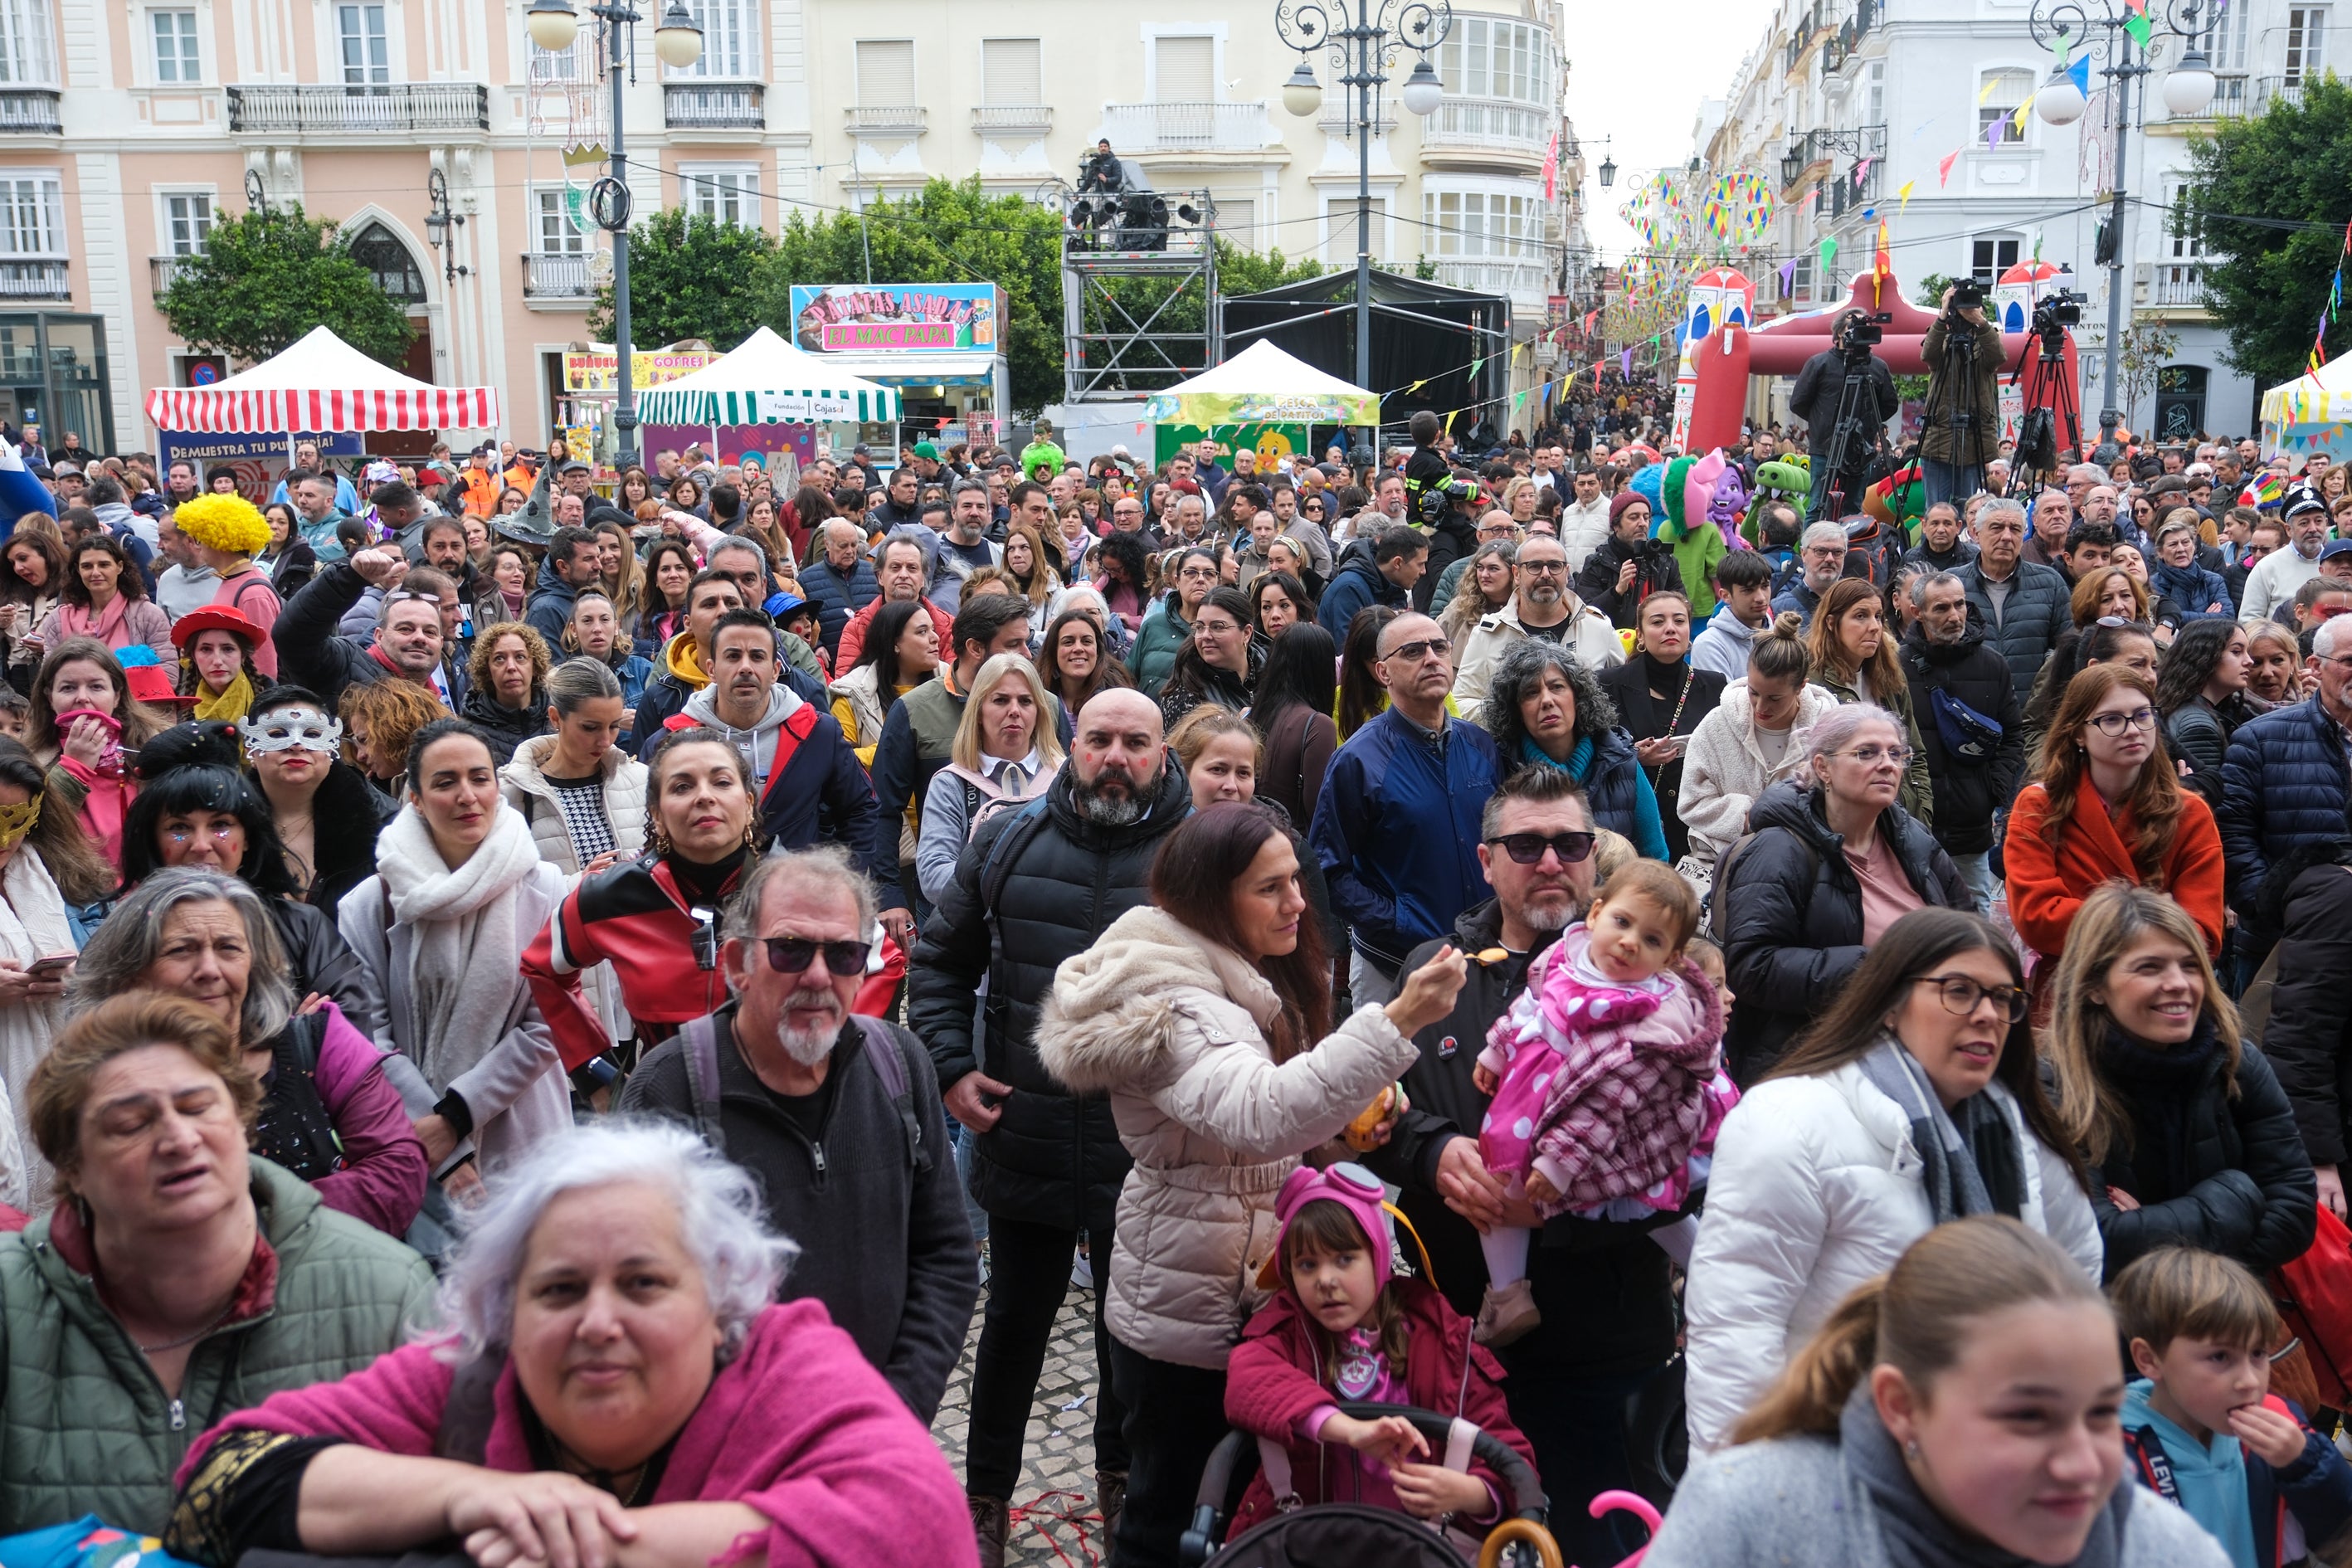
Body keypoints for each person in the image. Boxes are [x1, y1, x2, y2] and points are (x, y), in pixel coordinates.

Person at [164, 1119, 972, 1568]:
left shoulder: (787, 1365)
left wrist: (602, 1548)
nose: (596, 1322)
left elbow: (922, 1530)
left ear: (718, 1300)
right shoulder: (472, 1374)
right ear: (506, 1310)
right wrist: (476, 1496)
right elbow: (214, 1483)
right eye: (558, 1289)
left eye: (643, 1283)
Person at [1039, 804, 1468, 1567]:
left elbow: (1270, 1128)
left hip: (1239, 1285)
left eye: (1296, 881)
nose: (1298, 903)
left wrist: (1344, 1123)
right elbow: (1259, 1114)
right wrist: (1394, 1022)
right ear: (1210, 898)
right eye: (1270, 888)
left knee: (1243, 1508)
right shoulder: (1173, 1004)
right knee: (1168, 1516)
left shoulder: (1236, 975)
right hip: (1186, 1310)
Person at [908, 688, 1191, 1563]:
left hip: (1146, 1154)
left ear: (1159, 753)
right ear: (1070, 745)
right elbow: (939, 962)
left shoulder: (1196, 856)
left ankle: (1121, 1493)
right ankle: (985, 1501)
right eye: (1098, 739)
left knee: (1128, 1343)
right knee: (1012, 1336)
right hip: (1022, 1135)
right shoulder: (1007, 837)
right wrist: (952, 1070)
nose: (1114, 757)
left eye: (1133, 743)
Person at [0, 990, 433, 1533]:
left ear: (242, 1120)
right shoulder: (10, 1299)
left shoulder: (389, 1291)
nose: (179, 1139)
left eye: (198, 1106)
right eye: (131, 1124)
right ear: (73, 1168)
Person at [1682, 909, 2103, 1451]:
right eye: (1958, 991)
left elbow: (2078, 1269)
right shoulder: (1790, 1122)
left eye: (2002, 999)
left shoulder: (2009, 1127)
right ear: (1888, 1003)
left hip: (1985, 1469)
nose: (1986, 1015)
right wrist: (1744, 1497)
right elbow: (1735, 1331)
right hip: (1836, 1469)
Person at [616, 850, 978, 1424]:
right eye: (789, 949)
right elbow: (636, 1302)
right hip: (731, 1447)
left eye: (842, 953)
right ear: (737, 964)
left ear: (865, 967)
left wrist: (895, 1409)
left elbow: (946, 1256)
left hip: (881, 1426)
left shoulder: (901, 1064)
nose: (816, 975)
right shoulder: (669, 1091)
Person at [1657, 1218, 2228, 1568]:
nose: (2081, 1464)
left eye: (2101, 1413)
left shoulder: (2166, 1551)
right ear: (1901, 1408)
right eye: (2028, 1416)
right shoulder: (1749, 1515)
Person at [69, 867, 424, 1237]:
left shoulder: (320, 1042)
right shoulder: (103, 1078)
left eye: (228, 948)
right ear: (132, 973)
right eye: (181, 950)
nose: (209, 969)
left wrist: (250, 1228)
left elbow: (397, 1168)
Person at [1468, 860, 1728, 1345]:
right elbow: (1533, 1008)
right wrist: (1497, 1049)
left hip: (1609, 1130)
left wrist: (1561, 1163)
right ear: (1596, 916)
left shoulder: (1654, 1019)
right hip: (1549, 1095)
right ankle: (1508, 1295)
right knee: (1647, 1201)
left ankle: (1506, 1293)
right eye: (1623, 923)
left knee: (1517, 1187)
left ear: (1671, 960)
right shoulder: (1570, 959)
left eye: (1652, 940)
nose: (1630, 942)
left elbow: (1608, 1101)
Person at [1220, 1161, 1536, 1538]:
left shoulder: (1439, 1337)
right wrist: (1349, 1430)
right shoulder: (1288, 1329)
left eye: (1344, 1259)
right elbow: (1248, 1378)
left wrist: (1469, 1493)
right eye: (1307, 1265)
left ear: (1381, 1258)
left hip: (1418, 1548)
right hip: (1307, 1543)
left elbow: (1513, 1460)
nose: (1325, 1280)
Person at [339, 718, 570, 1197]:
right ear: (416, 799)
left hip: (524, 1139)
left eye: (479, 778)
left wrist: (456, 1119)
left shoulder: (545, 887)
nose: (467, 795)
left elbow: (549, 1022)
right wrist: (434, 1133)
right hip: (413, 1145)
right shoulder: (370, 904)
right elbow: (368, 1035)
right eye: (445, 783)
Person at [2040, 883, 2315, 1278]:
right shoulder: (2055, 1084)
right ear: (2095, 987)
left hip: (2226, 1315)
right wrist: (2237, 1194)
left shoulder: (2235, 1061)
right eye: (2149, 967)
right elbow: (2099, 1240)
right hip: (2112, 1326)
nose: (2179, 983)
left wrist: (2154, 1233)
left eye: (2190, 965)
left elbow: (2294, 1213)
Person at [1715, 704, 1971, 1082]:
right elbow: (1751, 967)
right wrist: (1878, 968)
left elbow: (1967, 929)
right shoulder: (1778, 849)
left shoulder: (1913, 839)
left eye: (1896, 753)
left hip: (1922, 1051)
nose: (1887, 764)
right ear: (1823, 768)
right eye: (1866, 753)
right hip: (1814, 1063)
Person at [117, 723, 384, 1037]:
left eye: (220, 825)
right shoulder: (127, 930)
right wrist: (288, 1033)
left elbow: (348, 1030)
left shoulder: (302, 927)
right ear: (151, 838)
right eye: (180, 828)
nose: (201, 845)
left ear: (248, 837)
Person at [2111, 1247, 2352, 1567]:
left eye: (2257, 1354)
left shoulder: (2282, 1423)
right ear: (2149, 1359)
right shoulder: (2112, 1452)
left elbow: (2341, 1542)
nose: (2249, 1381)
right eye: (2220, 1357)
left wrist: (2306, 1465)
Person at [1312, 611, 1502, 1008]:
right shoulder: (1359, 760)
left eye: (1439, 647)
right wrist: (1400, 921)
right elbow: (1328, 870)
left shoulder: (1481, 745)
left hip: (1482, 960)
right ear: (1384, 672)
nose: (1431, 658)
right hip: (1395, 967)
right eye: (1413, 651)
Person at [2005, 666, 2223, 980]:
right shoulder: (2039, 805)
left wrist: (2089, 916)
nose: (2133, 730)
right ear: (2078, 732)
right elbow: (2036, 919)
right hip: (2071, 993)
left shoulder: (2191, 813)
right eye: (2111, 720)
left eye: (2142, 715)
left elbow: (2203, 932)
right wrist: (2158, 915)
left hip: (2161, 992)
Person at [869, 594, 1047, 937]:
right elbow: (883, 810)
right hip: (943, 903)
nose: (1027, 654)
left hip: (1035, 913)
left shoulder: (1044, 704)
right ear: (975, 648)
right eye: (1013, 644)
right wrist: (888, 893)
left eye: (1027, 642)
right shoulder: (913, 710)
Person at [669, 608, 880, 870]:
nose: (745, 667)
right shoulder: (675, 740)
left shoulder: (817, 732)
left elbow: (861, 807)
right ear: (711, 669)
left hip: (794, 899)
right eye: (733, 656)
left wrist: (843, 879)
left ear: (775, 670)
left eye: (757, 656)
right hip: (701, 901)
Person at [2219, 611, 2352, 936]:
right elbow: (2234, 833)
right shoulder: (2260, 738)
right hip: (2285, 936)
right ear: (2316, 666)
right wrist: (2267, 905)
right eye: (2349, 660)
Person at [1676, 612, 1841, 869]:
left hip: (1806, 866)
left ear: (1801, 687)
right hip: (1726, 864)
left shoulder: (1829, 731)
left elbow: (1844, 801)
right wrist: (1747, 817)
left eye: (1775, 698)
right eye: (1754, 692)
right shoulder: (1716, 724)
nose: (1761, 706)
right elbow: (1690, 802)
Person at [1902, 570, 2025, 909]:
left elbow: (2014, 734)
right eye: (1941, 608)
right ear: (1918, 612)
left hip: (1972, 822)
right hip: (1916, 822)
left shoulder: (1993, 665)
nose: (1954, 616)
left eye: (1960, 605)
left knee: (1975, 914)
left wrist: (1992, 790)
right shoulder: (1897, 667)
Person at [1483, 639, 1668, 859]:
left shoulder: (1621, 761)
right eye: (1531, 692)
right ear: (1515, 709)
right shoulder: (1499, 769)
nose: (1547, 700)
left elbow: (1656, 857)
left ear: (1578, 695)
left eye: (1557, 687)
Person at [915, 652, 1063, 908]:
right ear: (979, 711)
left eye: (1025, 701)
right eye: (1001, 700)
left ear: (1039, 712)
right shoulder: (951, 784)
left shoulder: (1065, 778)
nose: (1014, 711)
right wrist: (1015, 886)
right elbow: (933, 875)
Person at [1600, 590, 1725, 864]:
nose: (1670, 628)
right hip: (1634, 820)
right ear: (1640, 635)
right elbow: (1594, 753)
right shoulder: (1608, 684)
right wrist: (1634, 756)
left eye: (1679, 621)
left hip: (1694, 825)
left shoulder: (1715, 684)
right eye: (1658, 622)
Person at [1451, 531, 1622, 724]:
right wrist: (1514, 713)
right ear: (1516, 574)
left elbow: (1625, 690)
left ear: (1567, 573)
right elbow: (1460, 702)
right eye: (1534, 566)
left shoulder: (1597, 626)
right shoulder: (1488, 633)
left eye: (1555, 566)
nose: (1546, 574)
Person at [28, 637, 168, 869]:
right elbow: (33, 835)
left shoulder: (155, 752)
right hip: (73, 896)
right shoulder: (28, 761)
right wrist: (74, 768)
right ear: (49, 697)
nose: (82, 697)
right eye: (68, 688)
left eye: (96, 686)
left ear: (117, 696)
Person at [1809, 577, 1935, 825]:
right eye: (1861, 616)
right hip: (1837, 823)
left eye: (1878, 616)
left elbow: (1914, 751)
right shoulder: (1812, 684)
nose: (1875, 626)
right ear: (1832, 623)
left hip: (1899, 818)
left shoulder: (1888, 675)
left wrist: (1922, 810)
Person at [274, 547, 449, 716]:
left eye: (430, 632)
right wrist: (349, 579)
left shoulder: (440, 708)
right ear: (379, 636)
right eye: (405, 629)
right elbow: (294, 635)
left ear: (441, 643)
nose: (419, 637)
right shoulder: (343, 666)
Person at [1960, 499, 2074, 704]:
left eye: (2015, 529)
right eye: (1996, 528)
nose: (2006, 536)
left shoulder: (2050, 583)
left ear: (2024, 535)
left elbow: (2067, 651)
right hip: (1967, 713)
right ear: (1976, 534)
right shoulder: (1954, 585)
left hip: (2033, 715)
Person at [1788, 309, 1899, 519]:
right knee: (1817, 505)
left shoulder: (1876, 366)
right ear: (1839, 332)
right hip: (1826, 447)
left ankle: (1851, 550)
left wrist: (1868, 425)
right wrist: (1822, 422)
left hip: (1861, 450)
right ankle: (1812, 549)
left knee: (1853, 508)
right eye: (1852, 326)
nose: (1856, 332)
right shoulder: (1819, 363)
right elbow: (1798, 402)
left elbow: (1889, 404)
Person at [1918, 284, 2004, 505]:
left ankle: (1964, 541)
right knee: (1936, 511)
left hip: (1972, 445)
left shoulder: (1984, 342)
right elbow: (1927, 355)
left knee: (1966, 509)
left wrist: (1981, 323)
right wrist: (1943, 315)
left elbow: (1998, 357)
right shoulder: (1942, 340)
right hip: (1938, 442)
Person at [1251, 622, 1341, 831]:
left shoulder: (1255, 714)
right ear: (1323, 668)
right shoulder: (1318, 725)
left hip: (1256, 835)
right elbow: (1320, 810)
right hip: (1295, 847)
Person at [32, 533, 170, 660]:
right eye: (87, 566)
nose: (96, 572)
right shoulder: (58, 619)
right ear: (78, 570)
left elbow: (167, 672)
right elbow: (51, 676)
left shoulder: (148, 615)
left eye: (104, 565)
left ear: (119, 567)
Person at [1575, 490, 1684, 629]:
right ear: (1616, 525)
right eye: (1634, 517)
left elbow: (1683, 605)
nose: (1642, 523)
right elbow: (1587, 616)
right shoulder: (1597, 563)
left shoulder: (1665, 561)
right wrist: (1617, 591)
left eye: (1646, 518)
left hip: (1657, 641)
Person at [1157, 585, 1259, 728]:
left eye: (1217, 627)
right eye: (1199, 627)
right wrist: (1235, 731)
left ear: (1247, 633)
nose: (1205, 636)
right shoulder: (1184, 698)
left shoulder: (1271, 676)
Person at [1129, 545, 1220, 696]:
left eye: (1209, 573)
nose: (1201, 579)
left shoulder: (1229, 631)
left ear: (1219, 581)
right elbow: (1128, 678)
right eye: (1191, 573)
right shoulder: (1153, 626)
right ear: (1176, 581)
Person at [460, 621, 553, 767]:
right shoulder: (468, 733)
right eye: (500, 659)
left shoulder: (558, 718)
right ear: (487, 670)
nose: (511, 667)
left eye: (520, 657)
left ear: (535, 666)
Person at [1315, 526, 1426, 648]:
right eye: (1420, 564)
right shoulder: (1349, 589)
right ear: (1397, 563)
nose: (1423, 571)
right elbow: (1350, 653)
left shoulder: (1392, 587)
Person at [169, 606, 267, 724]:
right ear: (193, 656)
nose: (217, 661)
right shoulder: (181, 714)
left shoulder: (273, 701)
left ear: (243, 656)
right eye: (206, 649)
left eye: (228, 649)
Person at [1689, 548, 1775, 682]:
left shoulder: (1781, 636)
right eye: (1748, 590)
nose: (1760, 598)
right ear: (1725, 596)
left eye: (1765, 586)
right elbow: (1723, 700)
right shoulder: (1709, 644)